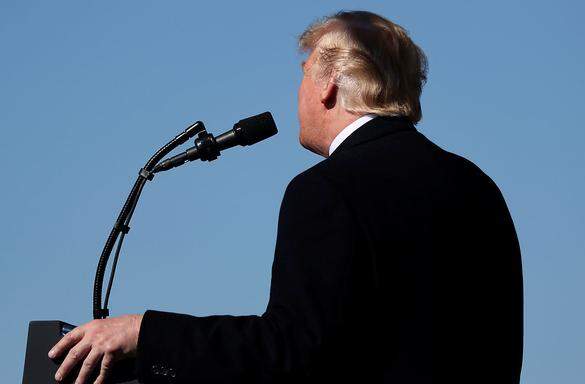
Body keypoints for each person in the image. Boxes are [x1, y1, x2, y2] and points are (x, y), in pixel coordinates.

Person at [49, 10, 523, 384]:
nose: (298, 90)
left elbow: (290, 352)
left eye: (304, 73)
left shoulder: (326, 189)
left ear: (329, 85)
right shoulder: (478, 188)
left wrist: (143, 334)